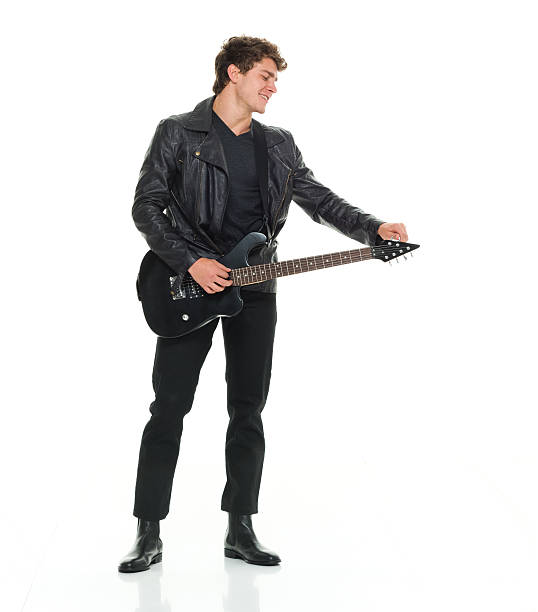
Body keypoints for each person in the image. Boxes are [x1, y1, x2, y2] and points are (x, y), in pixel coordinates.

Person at [118, 35, 408, 572]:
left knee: (247, 409)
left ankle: (240, 526)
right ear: (234, 73)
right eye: (266, 77)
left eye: (275, 79)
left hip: (256, 288)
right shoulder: (178, 133)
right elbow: (147, 207)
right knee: (169, 408)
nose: (274, 87)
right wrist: (190, 262)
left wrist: (372, 228)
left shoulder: (276, 143)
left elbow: (319, 200)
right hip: (190, 287)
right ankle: (148, 530)